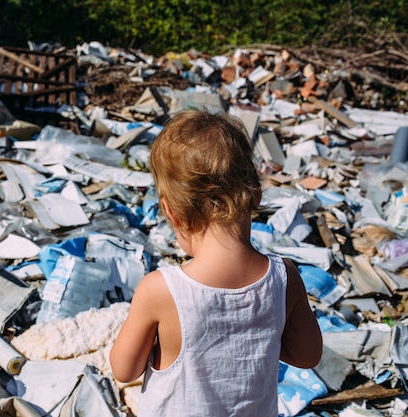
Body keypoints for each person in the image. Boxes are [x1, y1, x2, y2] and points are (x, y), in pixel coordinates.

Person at [109, 109, 323, 417]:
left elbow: (124, 369)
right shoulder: (284, 277)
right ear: (257, 196)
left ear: (171, 213)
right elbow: (308, 355)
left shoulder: (160, 290)